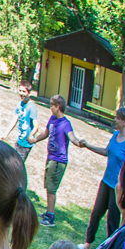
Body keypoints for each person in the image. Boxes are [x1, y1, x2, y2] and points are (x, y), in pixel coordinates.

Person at [78, 107, 125, 248]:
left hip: (118, 187)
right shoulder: (115, 135)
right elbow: (106, 151)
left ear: (124, 121)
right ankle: (87, 244)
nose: (115, 120)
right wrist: (88, 146)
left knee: (112, 220)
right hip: (106, 182)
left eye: (117, 118)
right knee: (96, 213)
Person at [37, 95, 84, 227]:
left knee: (52, 188)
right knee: (48, 185)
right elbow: (46, 133)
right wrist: (34, 139)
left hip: (58, 161)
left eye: (52, 105)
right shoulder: (52, 119)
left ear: (58, 107)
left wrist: (79, 143)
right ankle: (48, 211)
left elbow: (72, 137)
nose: (50, 107)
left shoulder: (65, 123)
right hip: (50, 157)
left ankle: (50, 218)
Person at [0, 80, 38, 164]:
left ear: (29, 93)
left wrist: (30, 136)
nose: (21, 93)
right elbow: (14, 121)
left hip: (26, 143)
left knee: (17, 165)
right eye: (20, 91)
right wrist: (5, 134)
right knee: (14, 162)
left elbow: (36, 126)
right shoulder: (19, 105)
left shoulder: (31, 107)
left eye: (24, 91)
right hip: (19, 140)